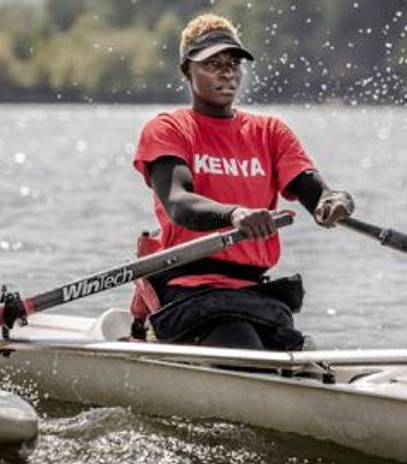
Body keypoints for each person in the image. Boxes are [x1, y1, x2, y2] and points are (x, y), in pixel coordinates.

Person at [131, 13, 354, 351]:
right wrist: (233, 214)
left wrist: (334, 201)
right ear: (187, 69)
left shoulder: (271, 132)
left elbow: (315, 192)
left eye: (234, 63)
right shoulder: (169, 129)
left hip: (254, 295)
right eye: (212, 64)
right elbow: (178, 203)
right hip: (189, 290)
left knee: (303, 356)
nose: (227, 73)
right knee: (246, 347)